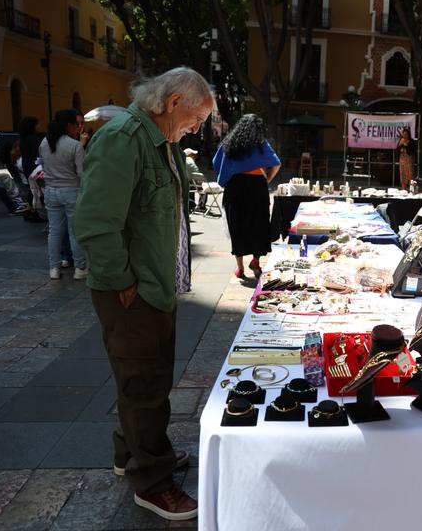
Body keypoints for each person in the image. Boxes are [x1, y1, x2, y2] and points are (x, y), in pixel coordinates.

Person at [74, 66, 214, 521]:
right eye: (196, 119)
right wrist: (124, 285)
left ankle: (133, 452)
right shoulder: (123, 139)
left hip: (153, 286)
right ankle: (152, 483)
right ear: (174, 103)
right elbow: (96, 224)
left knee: (144, 379)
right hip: (133, 291)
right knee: (143, 385)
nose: (197, 129)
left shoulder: (160, 143)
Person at [213, 114, 281, 281]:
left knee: (236, 225)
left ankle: (240, 267)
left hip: (235, 186)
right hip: (257, 186)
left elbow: (216, 163)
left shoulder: (229, 143)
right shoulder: (260, 143)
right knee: (259, 224)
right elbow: (276, 164)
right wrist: (267, 180)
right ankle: (256, 263)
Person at [40, 109, 88, 280]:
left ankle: (54, 267)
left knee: (54, 231)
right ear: (68, 125)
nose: (78, 128)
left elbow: (43, 167)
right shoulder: (74, 145)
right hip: (71, 191)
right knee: (74, 230)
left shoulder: (45, 143)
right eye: (76, 125)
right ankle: (80, 268)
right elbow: (82, 173)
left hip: (50, 191)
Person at [183, 147, 207, 213]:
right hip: (191, 182)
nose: (195, 156)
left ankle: (191, 205)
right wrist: (202, 182)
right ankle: (201, 206)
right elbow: (197, 173)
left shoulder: (182, 160)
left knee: (191, 185)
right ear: (189, 155)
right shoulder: (190, 161)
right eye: (193, 154)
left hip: (185, 183)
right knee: (204, 187)